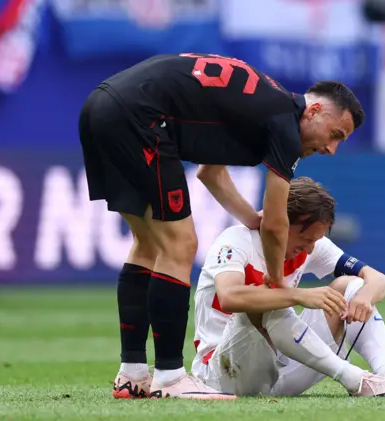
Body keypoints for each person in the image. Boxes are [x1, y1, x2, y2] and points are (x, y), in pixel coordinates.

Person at [78, 53, 365, 400]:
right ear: (314, 111)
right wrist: (276, 282)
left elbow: (209, 172)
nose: (332, 149)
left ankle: (133, 373)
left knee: (148, 245)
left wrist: (249, 218)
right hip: (140, 117)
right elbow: (277, 224)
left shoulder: (260, 107)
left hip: (101, 106)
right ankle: (170, 376)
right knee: (180, 245)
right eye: (335, 134)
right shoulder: (285, 125)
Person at [191, 177, 385, 397]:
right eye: (306, 238)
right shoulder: (235, 241)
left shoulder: (312, 246)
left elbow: (376, 278)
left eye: (316, 240)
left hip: (281, 371)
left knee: (349, 285)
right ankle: (355, 379)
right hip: (223, 375)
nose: (311, 248)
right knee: (269, 299)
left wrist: (364, 296)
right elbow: (229, 297)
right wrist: (299, 296)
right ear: (280, 223)